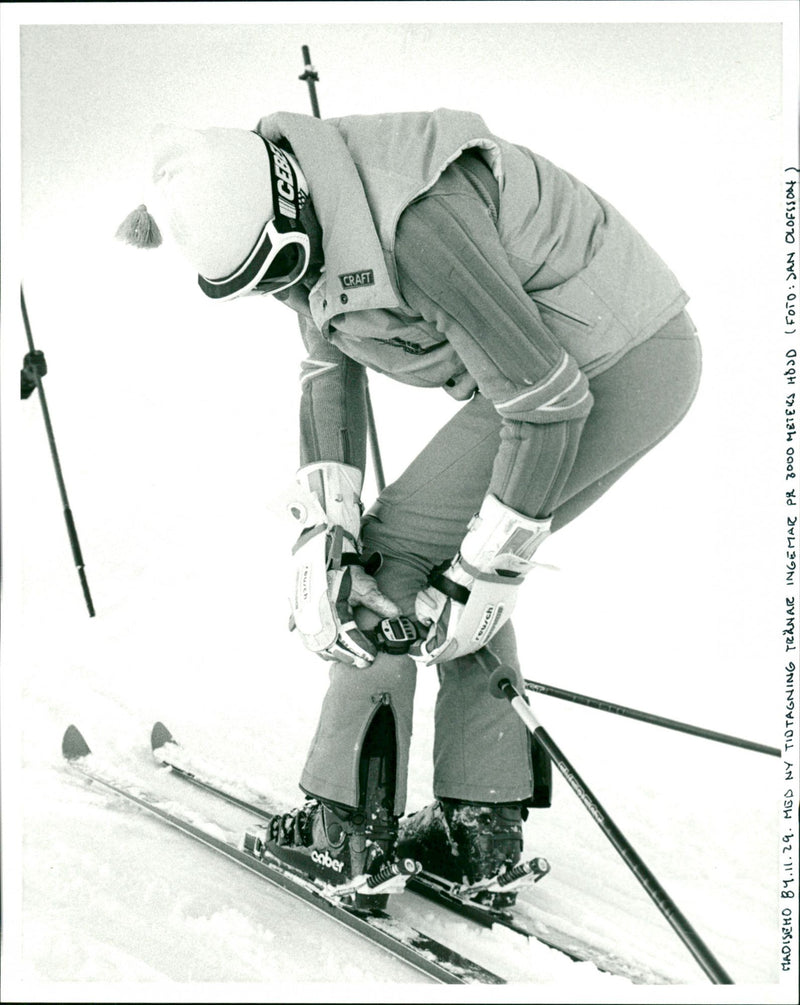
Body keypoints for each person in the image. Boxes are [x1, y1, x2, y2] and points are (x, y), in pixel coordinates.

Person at [118, 109, 701, 910]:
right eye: (260, 281)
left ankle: (346, 826)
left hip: (608, 363)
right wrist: (326, 523)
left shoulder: (417, 221)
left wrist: (491, 563)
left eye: (283, 263)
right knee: (426, 561)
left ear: (289, 201)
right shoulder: (303, 218)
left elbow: (548, 400)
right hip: (586, 361)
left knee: (393, 561)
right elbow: (327, 357)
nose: (284, 288)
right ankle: (478, 825)